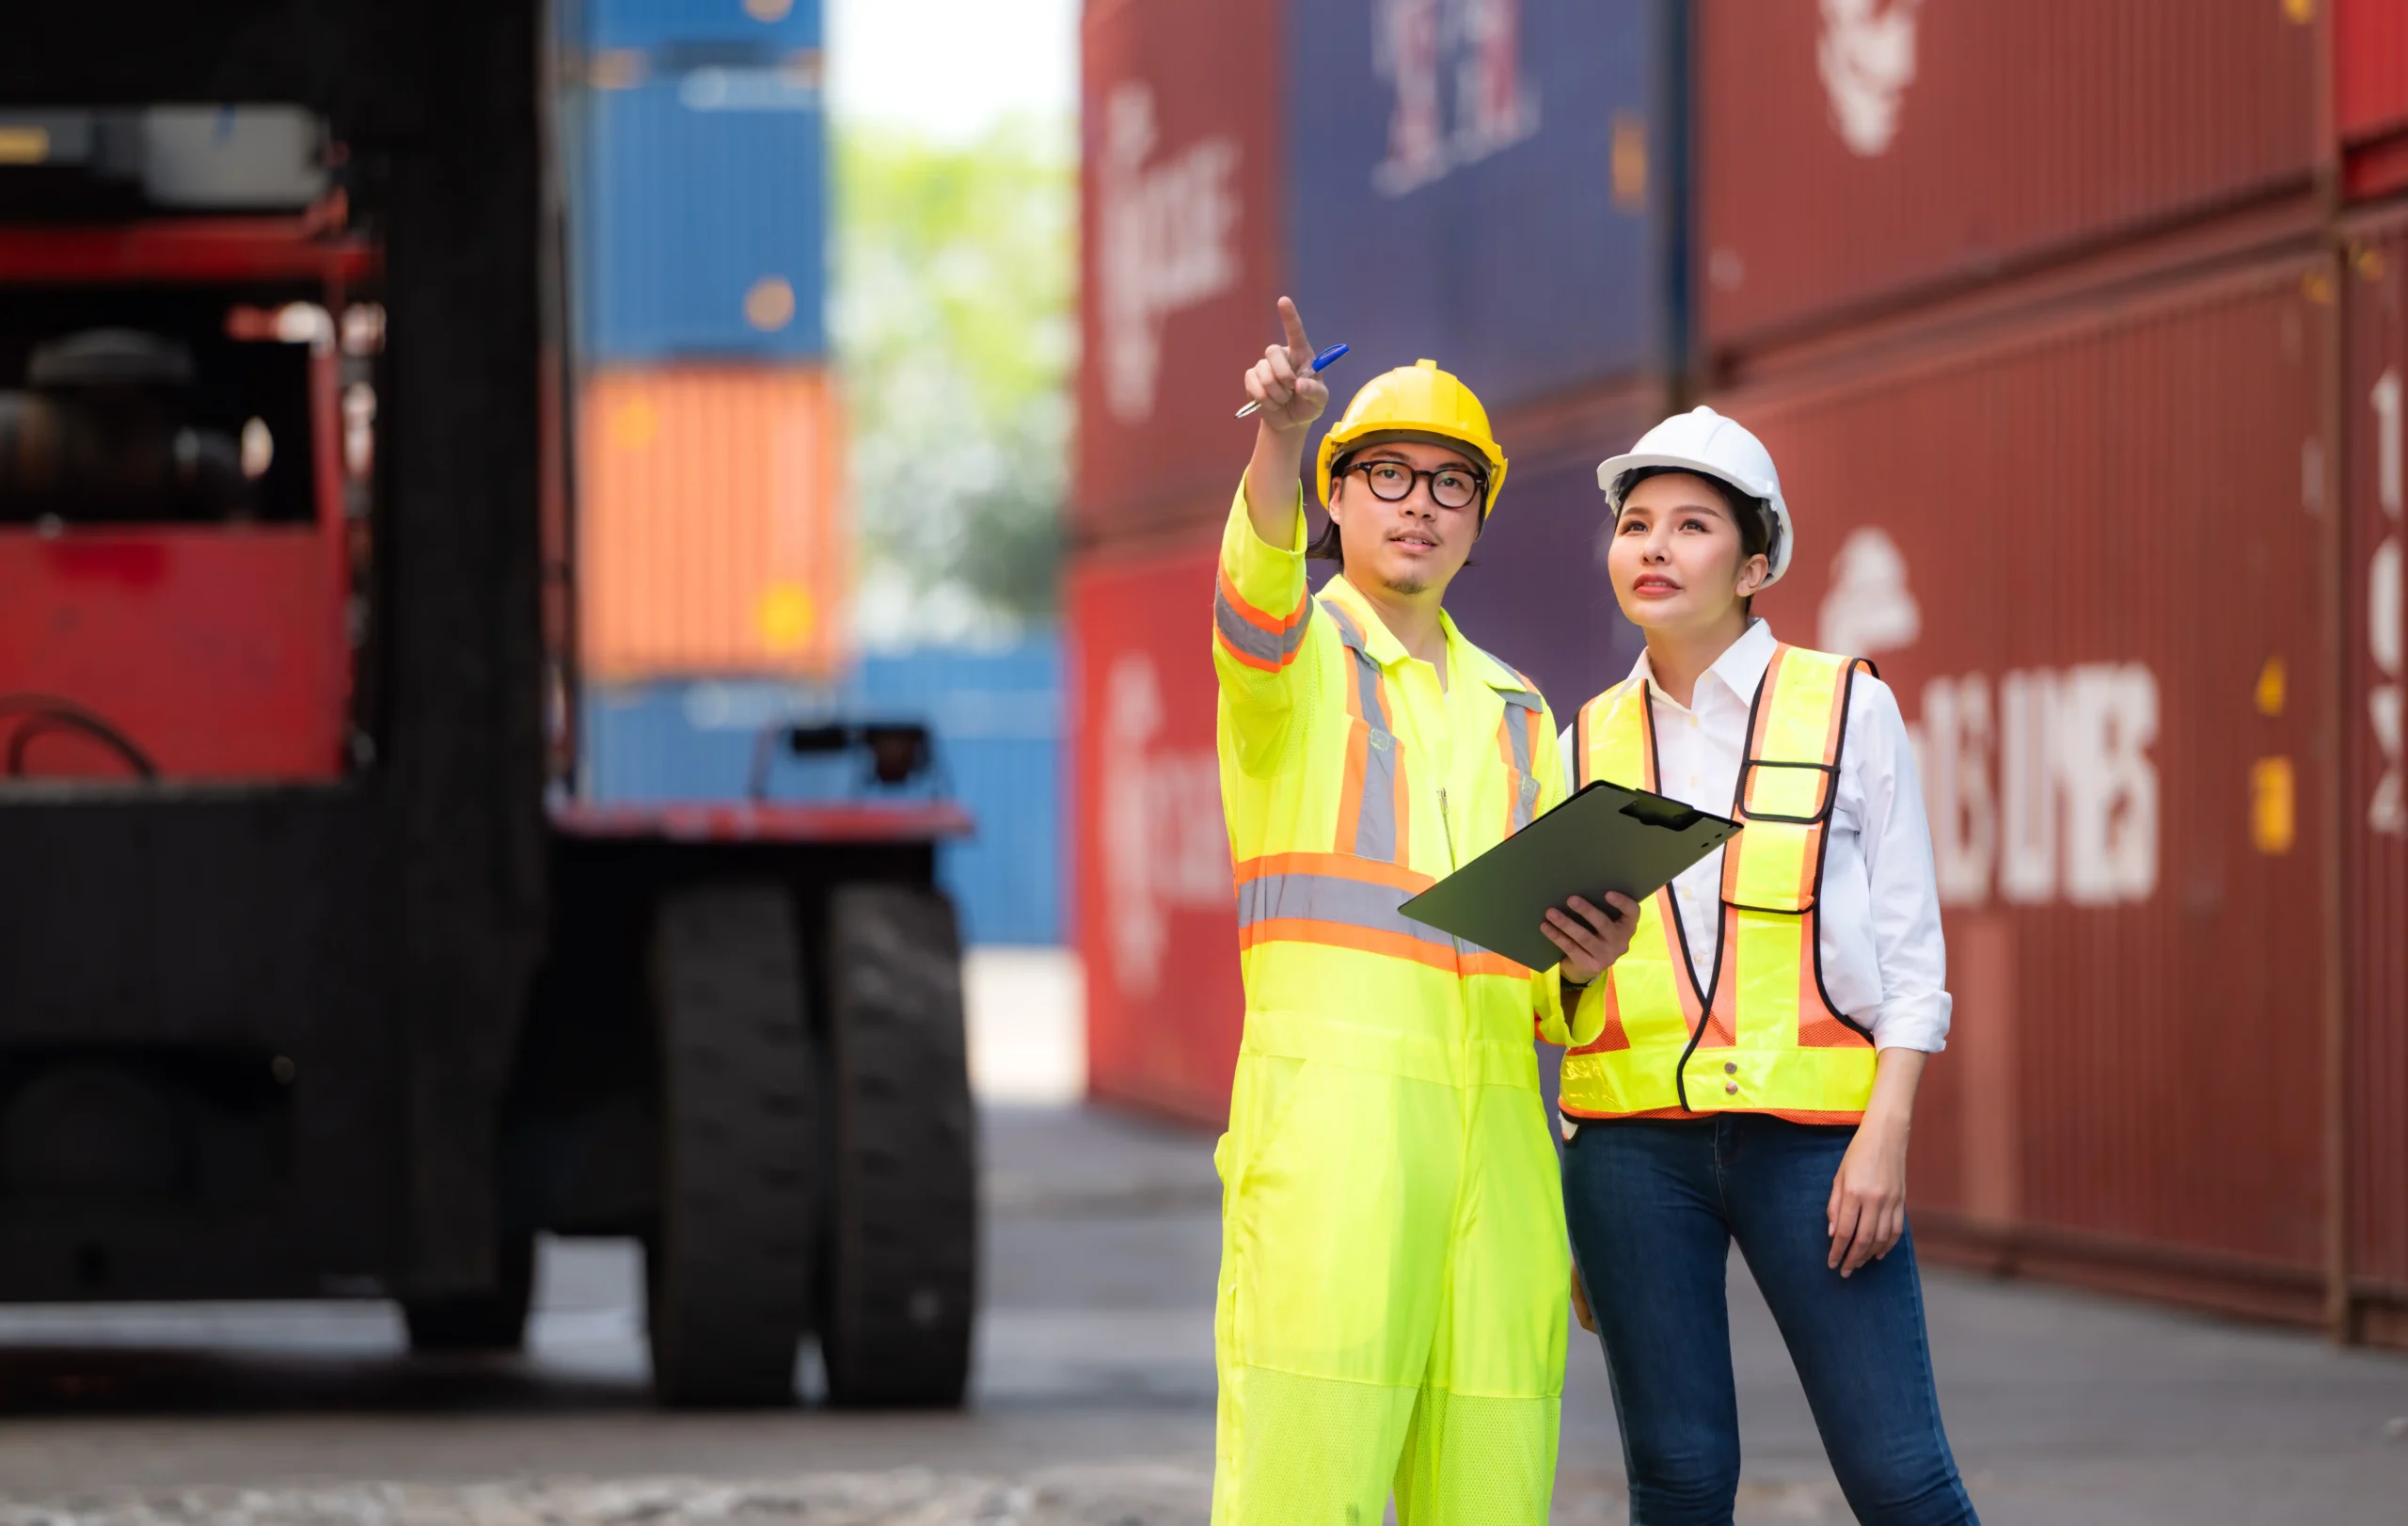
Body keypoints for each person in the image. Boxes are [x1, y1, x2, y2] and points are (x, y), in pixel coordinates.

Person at [1208, 297, 1631, 1526]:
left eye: (1453, 484)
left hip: (1500, 1156)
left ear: (1479, 522)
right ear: (1336, 501)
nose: (1419, 502)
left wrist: (1591, 961)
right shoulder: (1290, 664)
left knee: (1493, 1492)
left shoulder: (1518, 711)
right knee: (1305, 1486)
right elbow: (1253, 589)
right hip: (1337, 1145)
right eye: (1386, 472)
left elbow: (1553, 976)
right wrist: (1281, 439)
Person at [1537, 406, 1981, 1525]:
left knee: (1900, 1478)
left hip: (1817, 1150)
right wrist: (1580, 972)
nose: (1654, 547)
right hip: (1631, 1155)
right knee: (1678, 1485)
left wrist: (1886, 1132)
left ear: (1755, 561)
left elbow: (1909, 953)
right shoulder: (1578, 742)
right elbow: (1549, 998)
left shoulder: (1846, 706)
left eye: (1692, 525)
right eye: (1636, 523)